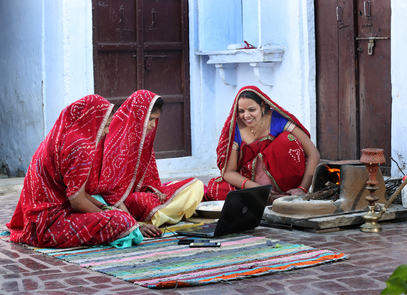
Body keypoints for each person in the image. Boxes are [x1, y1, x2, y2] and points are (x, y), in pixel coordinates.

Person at [6, 94, 140, 248]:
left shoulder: (62, 135)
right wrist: (108, 214)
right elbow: (77, 201)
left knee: (115, 212)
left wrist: (104, 208)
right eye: (105, 125)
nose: (108, 131)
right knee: (124, 222)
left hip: (36, 218)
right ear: (92, 121)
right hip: (50, 225)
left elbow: (79, 193)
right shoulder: (81, 146)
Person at [96, 89, 204, 229]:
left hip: (140, 196)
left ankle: (163, 215)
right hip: (123, 202)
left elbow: (149, 178)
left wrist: (152, 190)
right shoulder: (116, 142)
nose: (153, 125)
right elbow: (109, 192)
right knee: (142, 201)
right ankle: (161, 216)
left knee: (195, 185)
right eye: (150, 119)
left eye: (156, 120)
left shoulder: (143, 142)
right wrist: (134, 224)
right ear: (138, 116)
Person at [205, 86, 320, 203]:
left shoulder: (277, 120)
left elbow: (313, 154)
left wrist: (302, 188)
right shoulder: (235, 129)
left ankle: (280, 195)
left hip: (287, 182)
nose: (246, 116)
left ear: (263, 106)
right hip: (252, 182)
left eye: (252, 110)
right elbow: (229, 172)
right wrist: (258, 189)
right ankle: (266, 197)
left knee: (287, 140)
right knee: (218, 190)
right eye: (241, 111)